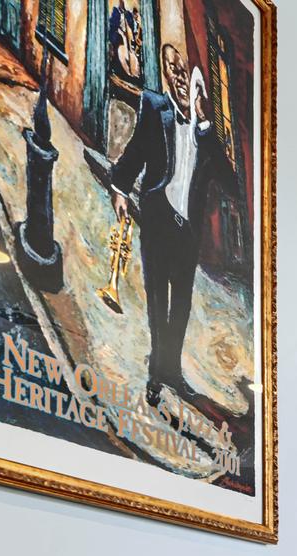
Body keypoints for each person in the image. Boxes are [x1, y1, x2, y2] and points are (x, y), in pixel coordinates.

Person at [109, 44, 215, 407]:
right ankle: (157, 371)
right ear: (166, 77)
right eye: (173, 69)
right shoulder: (156, 107)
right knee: (158, 297)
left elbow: (216, 169)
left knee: (182, 303)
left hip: (187, 227)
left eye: (183, 70)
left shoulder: (201, 128)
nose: (180, 76)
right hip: (157, 217)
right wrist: (120, 187)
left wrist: (203, 120)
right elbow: (137, 151)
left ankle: (172, 370)